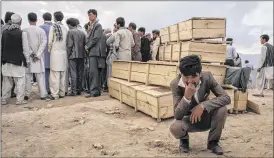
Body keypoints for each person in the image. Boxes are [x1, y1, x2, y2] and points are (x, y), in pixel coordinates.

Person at [169, 55, 231, 155]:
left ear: (200, 74)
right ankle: (184, 141)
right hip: (188, 120)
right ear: (181, 74)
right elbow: (177, 115)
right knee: (175, 127)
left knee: (222, 109)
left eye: (193, 77)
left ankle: (213, 142)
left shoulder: (208, 77)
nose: (189, 81)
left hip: (205, 117)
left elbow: (226, 98)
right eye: (186, 77)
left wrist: (203, 106)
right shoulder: (175, 84)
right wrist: (186, 97)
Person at [1, 14, 30, 105]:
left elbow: (2, 47)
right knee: (20, 81)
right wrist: (27, 61)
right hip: (18, 61)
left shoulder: (4, 32)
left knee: (7, 81)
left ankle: (4, 99)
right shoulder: (22, 33)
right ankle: (19, 100)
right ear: (20, 21)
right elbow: (25, 49)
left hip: (6, 61)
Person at [23, 12, 48, 100]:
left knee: (28, 76)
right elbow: (44, 43)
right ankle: (43, 95)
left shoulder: (24, 30)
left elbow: (24, 44)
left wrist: (31, 53)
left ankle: (27, 94)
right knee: (40, 76)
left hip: (28, 57)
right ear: (36, 20)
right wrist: (37, 54)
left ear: (28, 20)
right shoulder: (41, 30)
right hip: (38, 57)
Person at [48, 11, 68, 100]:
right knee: (63, 74)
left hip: (55, 53)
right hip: (63, 53)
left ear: (55, 18)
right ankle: (62, 92)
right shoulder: (65, 28)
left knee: (54, 75)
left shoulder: (53, 27)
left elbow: (50, 42)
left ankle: (54, 94)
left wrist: (50, 50)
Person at [85, 9, 104, 98]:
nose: (89, 16)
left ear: (95, 15)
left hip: (95, 52)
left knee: (93, 72)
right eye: (88, 15)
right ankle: (95, 91)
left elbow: (95, 38)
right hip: (94, 52)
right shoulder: (92, 25)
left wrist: (87, 47)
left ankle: (94, 92)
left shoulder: (97, 25)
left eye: (91, 15)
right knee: (94, 73)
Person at [66, 18, 86, 96]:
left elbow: (69, 45)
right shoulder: (82, 32)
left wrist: (67, 55)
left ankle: (73, 91)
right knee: (80, 72)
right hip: (81, 55)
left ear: (70, 25)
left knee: (73, 73)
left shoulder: (70, 32)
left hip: (73, 55)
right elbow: (85, 44)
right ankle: (79, 90)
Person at [40, 12, 53, 94]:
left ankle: (46, 89)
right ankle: (52, 89)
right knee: (53, 73)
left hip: (43, 53)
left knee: (44, 73)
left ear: (43, 18)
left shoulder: (40, 28)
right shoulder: (54, 27)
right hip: (52, 53)